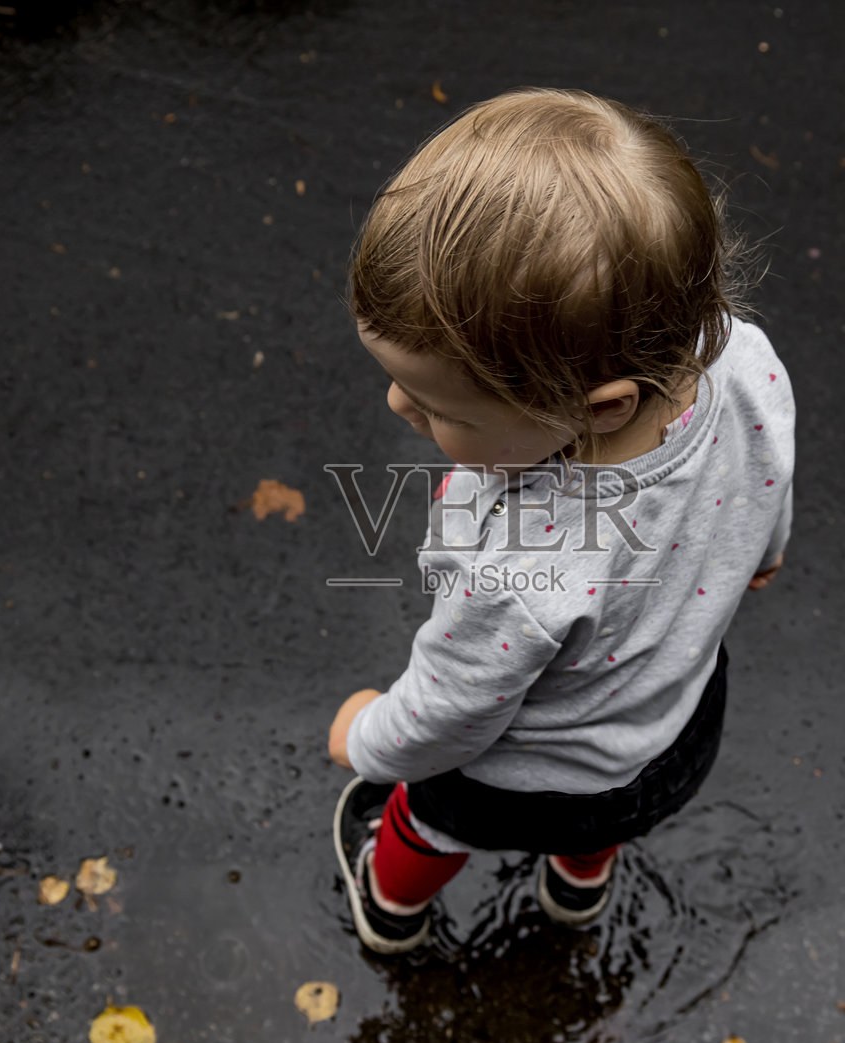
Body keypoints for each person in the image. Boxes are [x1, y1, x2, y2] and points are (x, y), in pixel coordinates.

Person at [327, 88, 795, 954]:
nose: (397, 407)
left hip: (525, 778)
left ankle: (389, 911)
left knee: (427, 818)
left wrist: (368, 738)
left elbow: (452, 710)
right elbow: (770, 467)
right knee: (595, 824)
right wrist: (765, 549)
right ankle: (578, 890)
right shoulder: (742, 359)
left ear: (601, 408)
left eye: (439, 408)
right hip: (672, 722)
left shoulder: (521, 565)